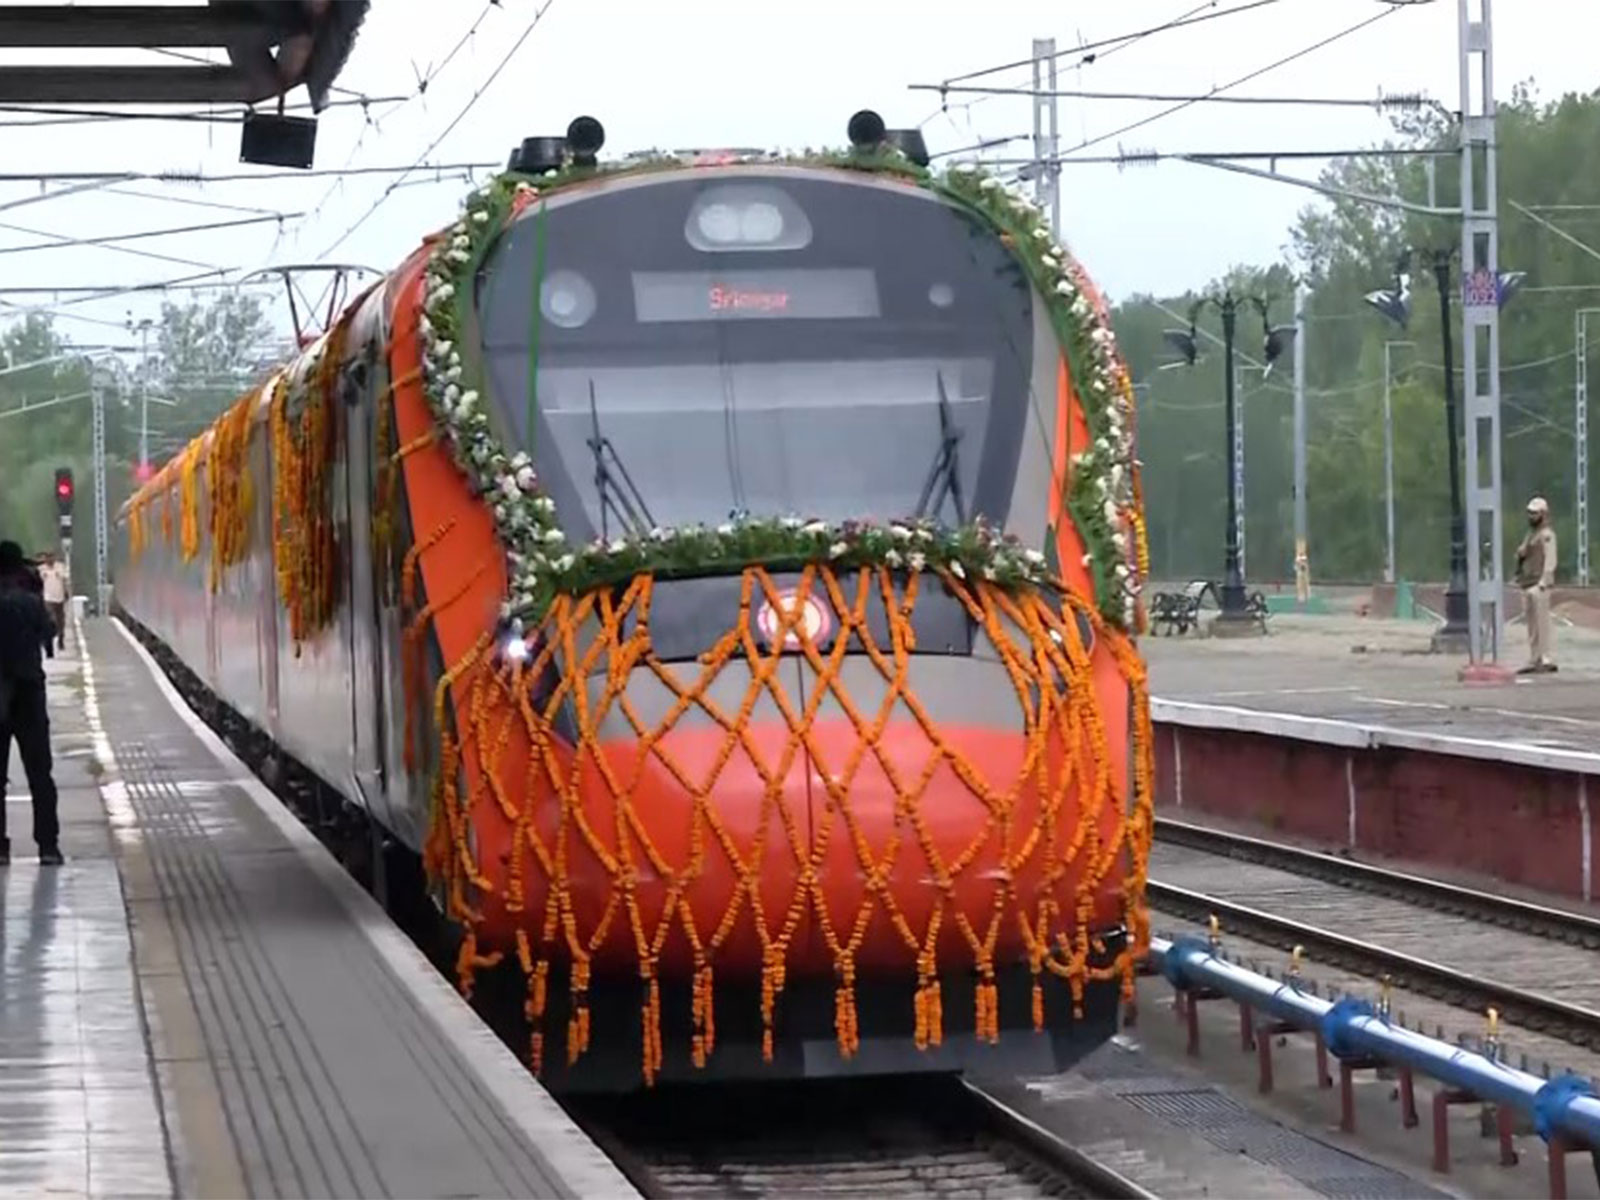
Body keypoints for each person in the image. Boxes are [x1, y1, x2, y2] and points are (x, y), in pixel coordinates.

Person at [0, 540, 62, 865]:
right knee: (40, 774)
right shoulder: (30, 601)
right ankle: (48, 846)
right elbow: (48, 632)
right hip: (29, 697)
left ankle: (0, 848)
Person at [1514, 496, 1558, 675]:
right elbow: (1523, 552)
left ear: (1543, 514)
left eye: (1535, 513)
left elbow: (1550, 559)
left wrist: (1544, 581)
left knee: (1542, 622)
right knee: (1532, 623)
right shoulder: (1530, 534)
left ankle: (1546, 657)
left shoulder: (1547, 535)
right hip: (1528, 582)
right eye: (1530, 513)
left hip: (1539, 584)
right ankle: (1534, 656)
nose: (1531, 516)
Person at [38, 553, 68, 653]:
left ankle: (61, 639)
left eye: (51, 557)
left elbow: (65, 580)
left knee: (60, 621)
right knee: (51, 620)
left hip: (59, 597)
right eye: (47, 557)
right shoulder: (41, 569)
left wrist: (67, 592)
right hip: (48, 598)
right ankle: (48, 641)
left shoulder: (60, 567)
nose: (49, 559)